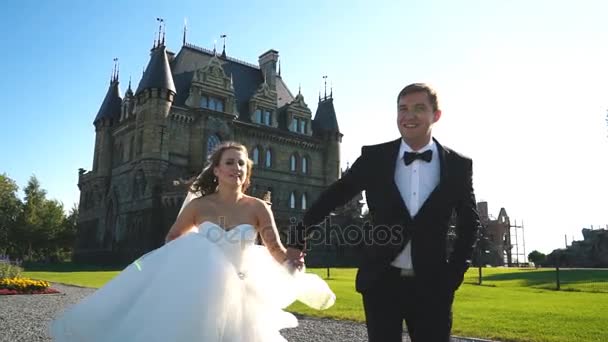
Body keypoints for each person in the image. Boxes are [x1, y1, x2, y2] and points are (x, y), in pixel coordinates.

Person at [50, 141, 335, 342]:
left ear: (247, 172)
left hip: (244, 288)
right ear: (217, 170)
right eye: (229, 162)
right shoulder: (199, 206)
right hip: (200, 291)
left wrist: (291, 259)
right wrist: (185, 263)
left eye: (241, 163)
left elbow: (275, 248)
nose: (236, 167)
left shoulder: (259, 207)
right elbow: (173, 237)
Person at [290, 83, 481, 342]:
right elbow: (332, 197)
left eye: (418, 108)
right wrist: (297, 238)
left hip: (434, 285)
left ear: (436, 115)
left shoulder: (458, 165)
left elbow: (470, 223)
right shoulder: (374, 158)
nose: (408, 115)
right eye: (403, 108)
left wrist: (454, 274)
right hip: (381, 282)